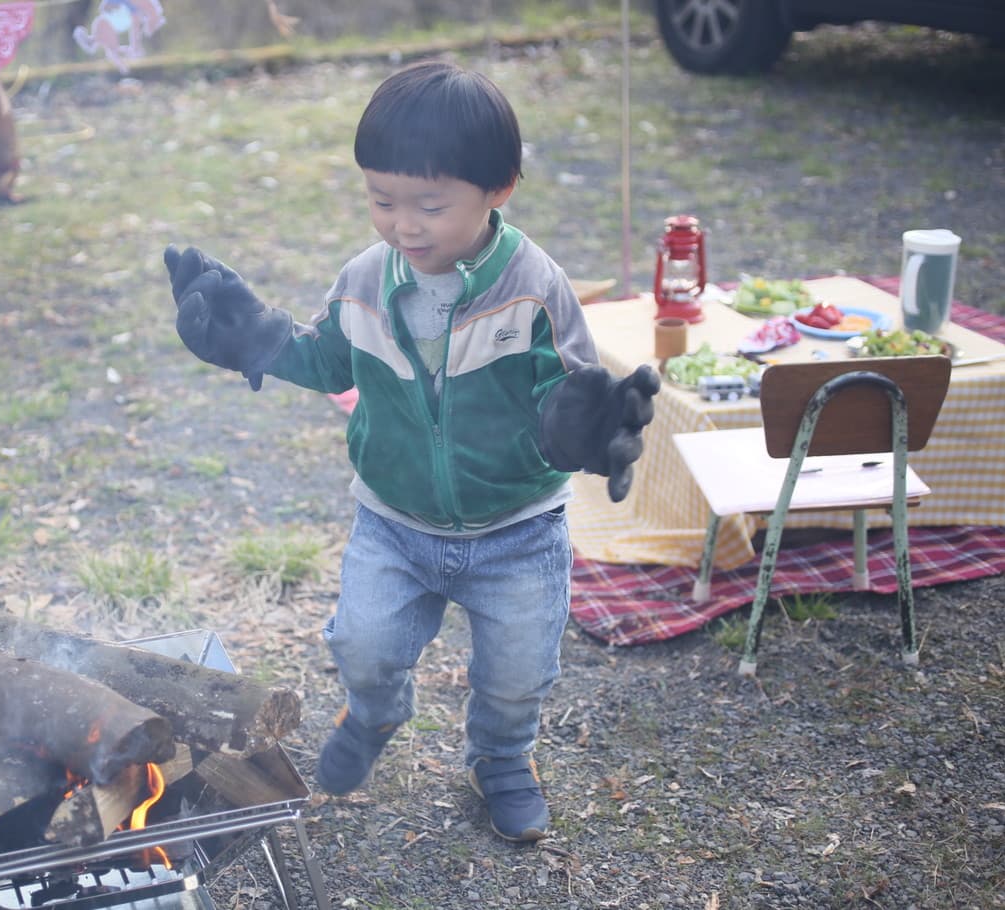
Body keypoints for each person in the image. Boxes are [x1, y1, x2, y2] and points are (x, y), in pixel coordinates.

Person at [162, 60, 658, 842]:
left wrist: (578, 432)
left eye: (431, 204)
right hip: (394, 523)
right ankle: (375, 714)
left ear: (499, 188)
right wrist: (256, 340)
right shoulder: (364, 278)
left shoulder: (533, 287)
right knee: (363, 644)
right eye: (382, 200)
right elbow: (327, 358)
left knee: (517, 672)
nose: (405, 225)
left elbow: (568, 394)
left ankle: (501, 759)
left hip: (517, 529)